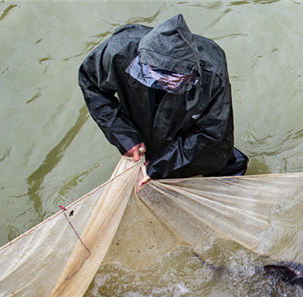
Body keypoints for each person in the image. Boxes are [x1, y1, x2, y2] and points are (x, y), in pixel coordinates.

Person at [79, 14, 248, 189]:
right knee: (153, 159)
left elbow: (211, 130)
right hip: (144, 118)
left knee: (219, 158)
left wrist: (157, 167)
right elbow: (90, 82)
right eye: (155, 77)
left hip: (188, 123)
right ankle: (155, 177)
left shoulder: (213, 69)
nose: (163, 84)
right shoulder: (118, 50)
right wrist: (125, 136)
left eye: (172, 80)